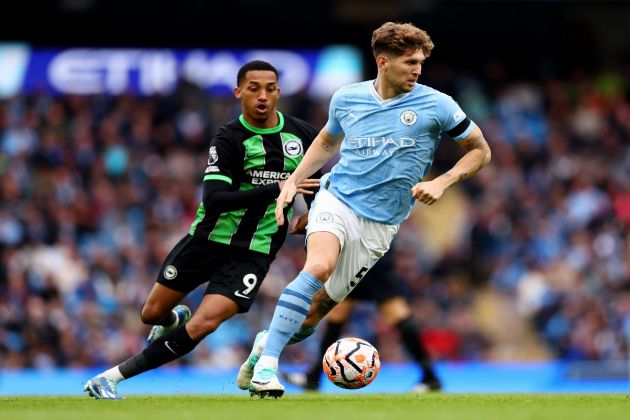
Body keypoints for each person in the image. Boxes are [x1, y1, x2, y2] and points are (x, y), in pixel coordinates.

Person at [240, 22, 492, 398]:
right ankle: (267, 368)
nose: (417, 69)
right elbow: (327, 141)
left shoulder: (436, 104)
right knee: (319, 265)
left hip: (381, 227)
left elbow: (480, 150)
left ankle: (265, 345)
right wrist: (294, 180)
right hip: (337, 199)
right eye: (410, 62)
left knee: (313, 317)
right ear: (383, 62)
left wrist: (442, 181)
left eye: (421, 62)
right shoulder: (347, 98)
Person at [83, 60, 321, 399]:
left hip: (255, 250)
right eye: (254, 88)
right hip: (207, 240)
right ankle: (170, 319)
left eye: (270, 88)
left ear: (279, 92)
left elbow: (315, 184)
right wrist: (280, 188)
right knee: (151, 314)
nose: (263, 96)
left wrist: (312, 216)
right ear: (239, 92)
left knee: (205, 323)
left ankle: (109, 378)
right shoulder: (228, 138)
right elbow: (215, 199)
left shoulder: (302, 135)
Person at [281, 241, 442, 393]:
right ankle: (314, 375)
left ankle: (430, 376)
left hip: (371, 251)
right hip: (358, 252)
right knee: (338, 313)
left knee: (395, 312)